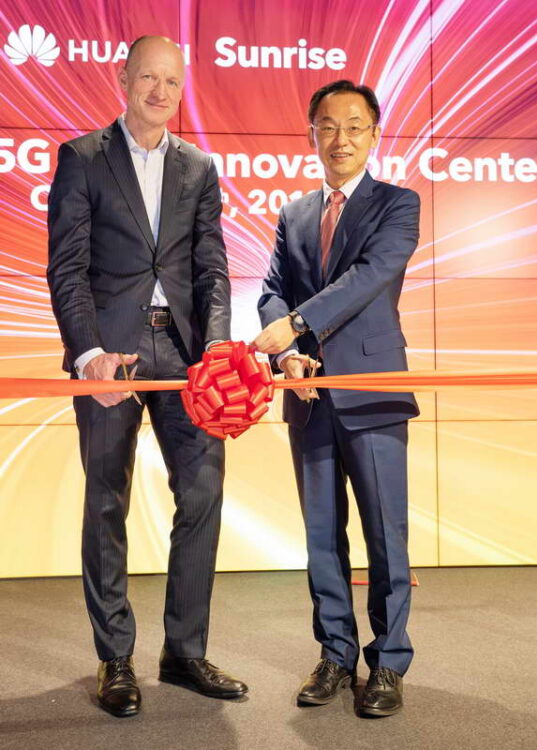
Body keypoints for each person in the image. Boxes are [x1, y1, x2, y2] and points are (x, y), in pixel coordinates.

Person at [47, 35, 247, 718]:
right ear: (123, 79)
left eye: (171, 81)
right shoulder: (83, 158)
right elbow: (67, 268)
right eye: (148, 78)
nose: (160, 91)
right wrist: (88, 355)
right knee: (107, 500)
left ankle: (184, 652)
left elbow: (212, 266)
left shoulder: (199, 166)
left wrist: (215, 349)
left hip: (186, 356)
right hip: (112, 354)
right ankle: (115, 658)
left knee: (204, 489)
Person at [255, 80, 420, 717]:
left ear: (374, 134)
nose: (340, 139)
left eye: (354, 126)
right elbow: (272, 288)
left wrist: (297, 324)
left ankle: (389, 662)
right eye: (328, 126)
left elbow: (368, 277)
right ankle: (334, 654)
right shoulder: (295, 213)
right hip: (308, 393)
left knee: (385, 535)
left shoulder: (398, 204)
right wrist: (286, 352)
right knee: (322, 537)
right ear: (311, 135)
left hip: (372, 391)